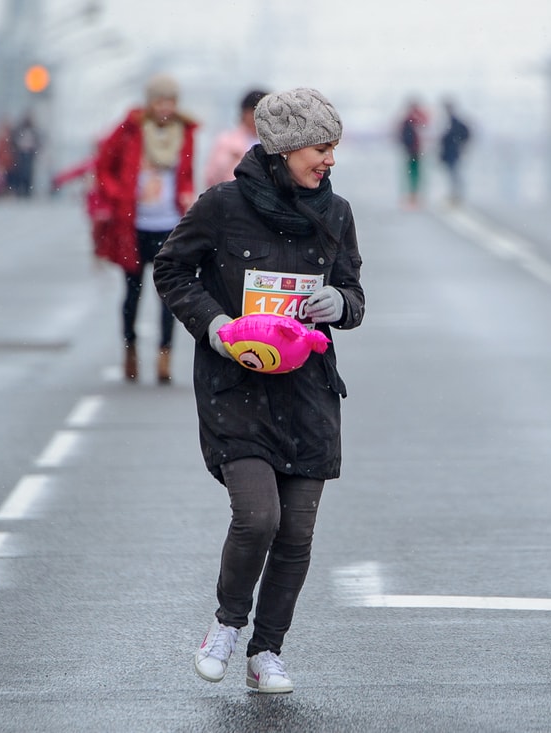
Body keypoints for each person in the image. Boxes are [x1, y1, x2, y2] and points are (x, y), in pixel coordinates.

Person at [152, 87, 365, 694]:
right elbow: (171, 268)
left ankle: (266, 651)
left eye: (333, 149)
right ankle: (225, 625)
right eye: (321, 148)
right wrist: (214, 325)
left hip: (307, 390)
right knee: (257, 517)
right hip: (235, 385)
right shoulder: (222, 205)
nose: (329, 161)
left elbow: (354, 292)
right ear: (285, 147)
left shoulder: (339, 212)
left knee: (297, 530)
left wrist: (339, 303)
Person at [92, 72, 198, 384]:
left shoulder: (185, 132)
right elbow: (103, 168)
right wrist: (120, 195)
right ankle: (130, 350)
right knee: (132, 293)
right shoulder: (129, 131)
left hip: (170, 223)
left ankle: (165, 356)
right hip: (133, 225)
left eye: (171, 101)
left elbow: (187, 172)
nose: (166, 107)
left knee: (170, 295)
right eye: (160, 100)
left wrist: (187, 194)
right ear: (150, 103)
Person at [203, 88, 269, 189]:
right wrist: (228, 160)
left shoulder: (277, 143)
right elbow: (210, 178)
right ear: (244, 113)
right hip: (233, 197)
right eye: (253, 112)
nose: (257, 117)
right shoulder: (226, 141)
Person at [396, 98, 429, 208]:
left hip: (413, 151)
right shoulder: (414, 120)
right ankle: (413, 197)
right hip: (414, 151)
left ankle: (413, 197)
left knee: (412, 175)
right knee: (414, 175)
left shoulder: (409, 120)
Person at [438, 99, 471, 204]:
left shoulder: (454, 122)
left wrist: (460, 144)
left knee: (454, 174)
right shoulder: (448, 122)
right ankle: (454, 195)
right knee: (452, 174)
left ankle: (456, 196)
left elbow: (465, 134)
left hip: (452, 153)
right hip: (450, 153)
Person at [10, 113, 41, 198]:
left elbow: (37, 141)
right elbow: (15, 139)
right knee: (21, 172)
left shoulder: (32, 130)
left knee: (29, 173)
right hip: (22, 154)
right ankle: (22, 189)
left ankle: (27, 190)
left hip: (29, 154)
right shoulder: (21, 129)